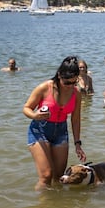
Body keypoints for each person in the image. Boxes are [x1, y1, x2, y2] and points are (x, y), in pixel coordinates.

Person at [23, 56, 86, 191]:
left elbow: (75, 119)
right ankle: (42, 205)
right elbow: (26, 108)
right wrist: (35, 115)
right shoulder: (44, 88)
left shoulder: (76, 93)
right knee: (46, 176)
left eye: (73, 82)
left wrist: (77, 144)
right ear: (59, 75)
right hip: (39, 130)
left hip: (61, 132)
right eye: (66, 82)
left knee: (58, 178)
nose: (70, 86)